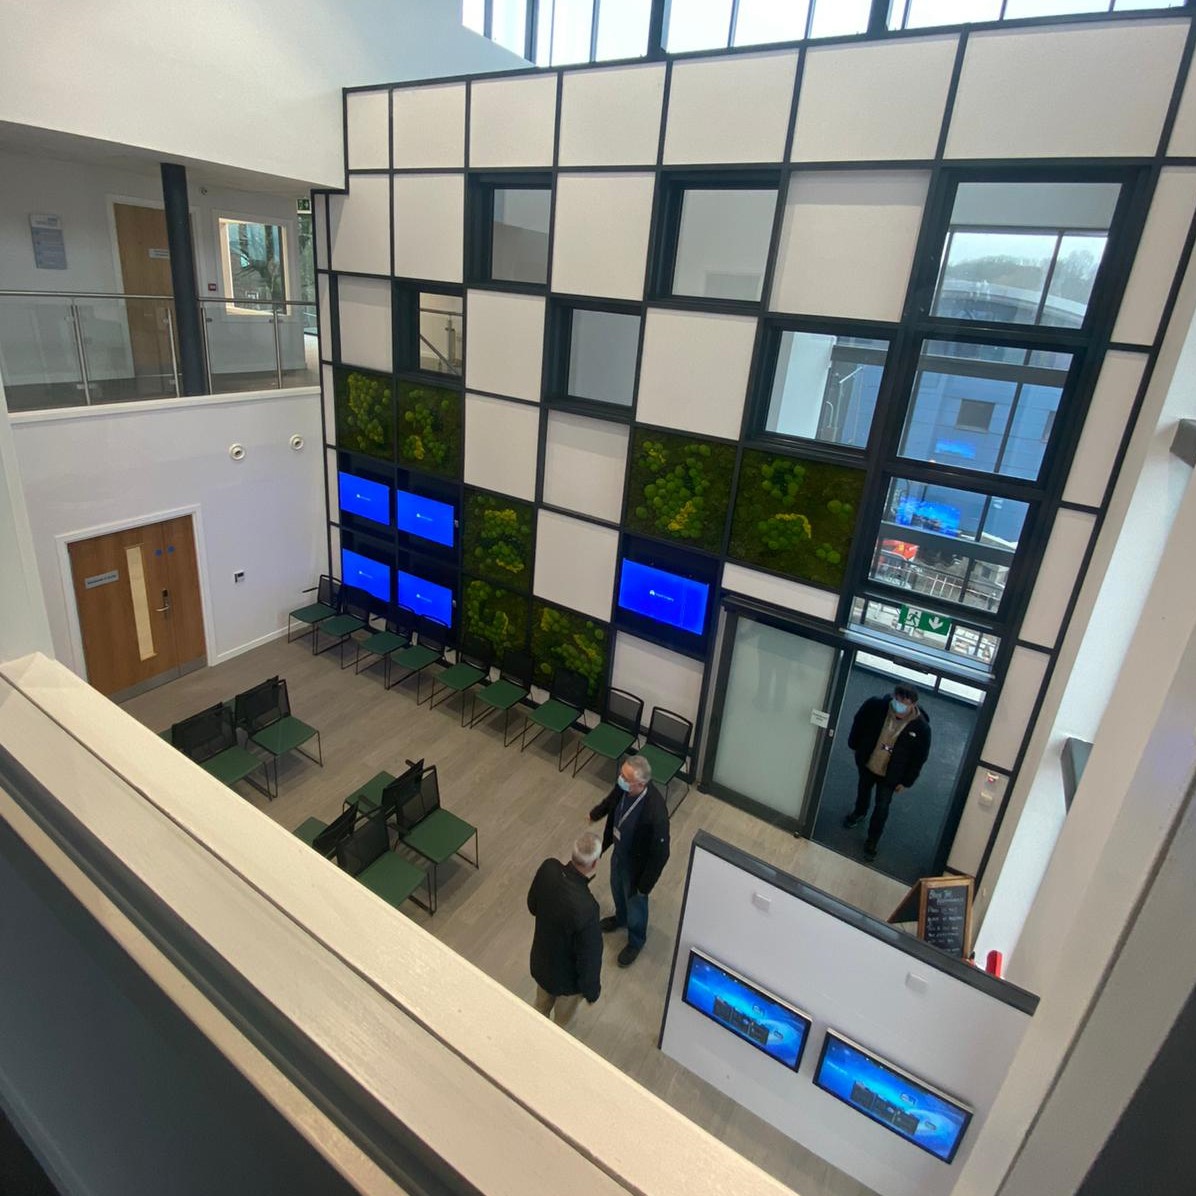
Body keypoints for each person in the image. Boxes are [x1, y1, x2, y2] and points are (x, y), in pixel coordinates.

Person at [589, 755, 670, 968]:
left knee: (636, 903)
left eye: (625, 777)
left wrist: (644, 886)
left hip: (637, 868)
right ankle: (620, 918)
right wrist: (597, 813)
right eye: (621, 775)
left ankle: (636, 940)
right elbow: (612, 800)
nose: (620, 780)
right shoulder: (625, 787)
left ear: (641, 784)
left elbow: (661, 854)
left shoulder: (656, 812)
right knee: (616, 888)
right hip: (619, 853)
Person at [843, 683, 932, 862]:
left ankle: (872, 841)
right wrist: (855, 745)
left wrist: (907, 781)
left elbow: (919, 758)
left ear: (913, 704)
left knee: (882, 806)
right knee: (863, 789)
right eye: (897, 700)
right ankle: (859, 812)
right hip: (870, 762)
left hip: (891, 774)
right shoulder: (876, 707)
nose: (899, 705)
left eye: (904, 702)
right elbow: (859, 723)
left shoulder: (921, 728)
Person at [526, 831, 604, 1029]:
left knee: (539, 1009)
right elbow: (590, 958)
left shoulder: (548, 869)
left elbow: (532, 905)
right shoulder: (588, 908)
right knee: (560, 1025)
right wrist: (591, 992)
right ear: (594, 863)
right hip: (568, 983)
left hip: (542, 964)